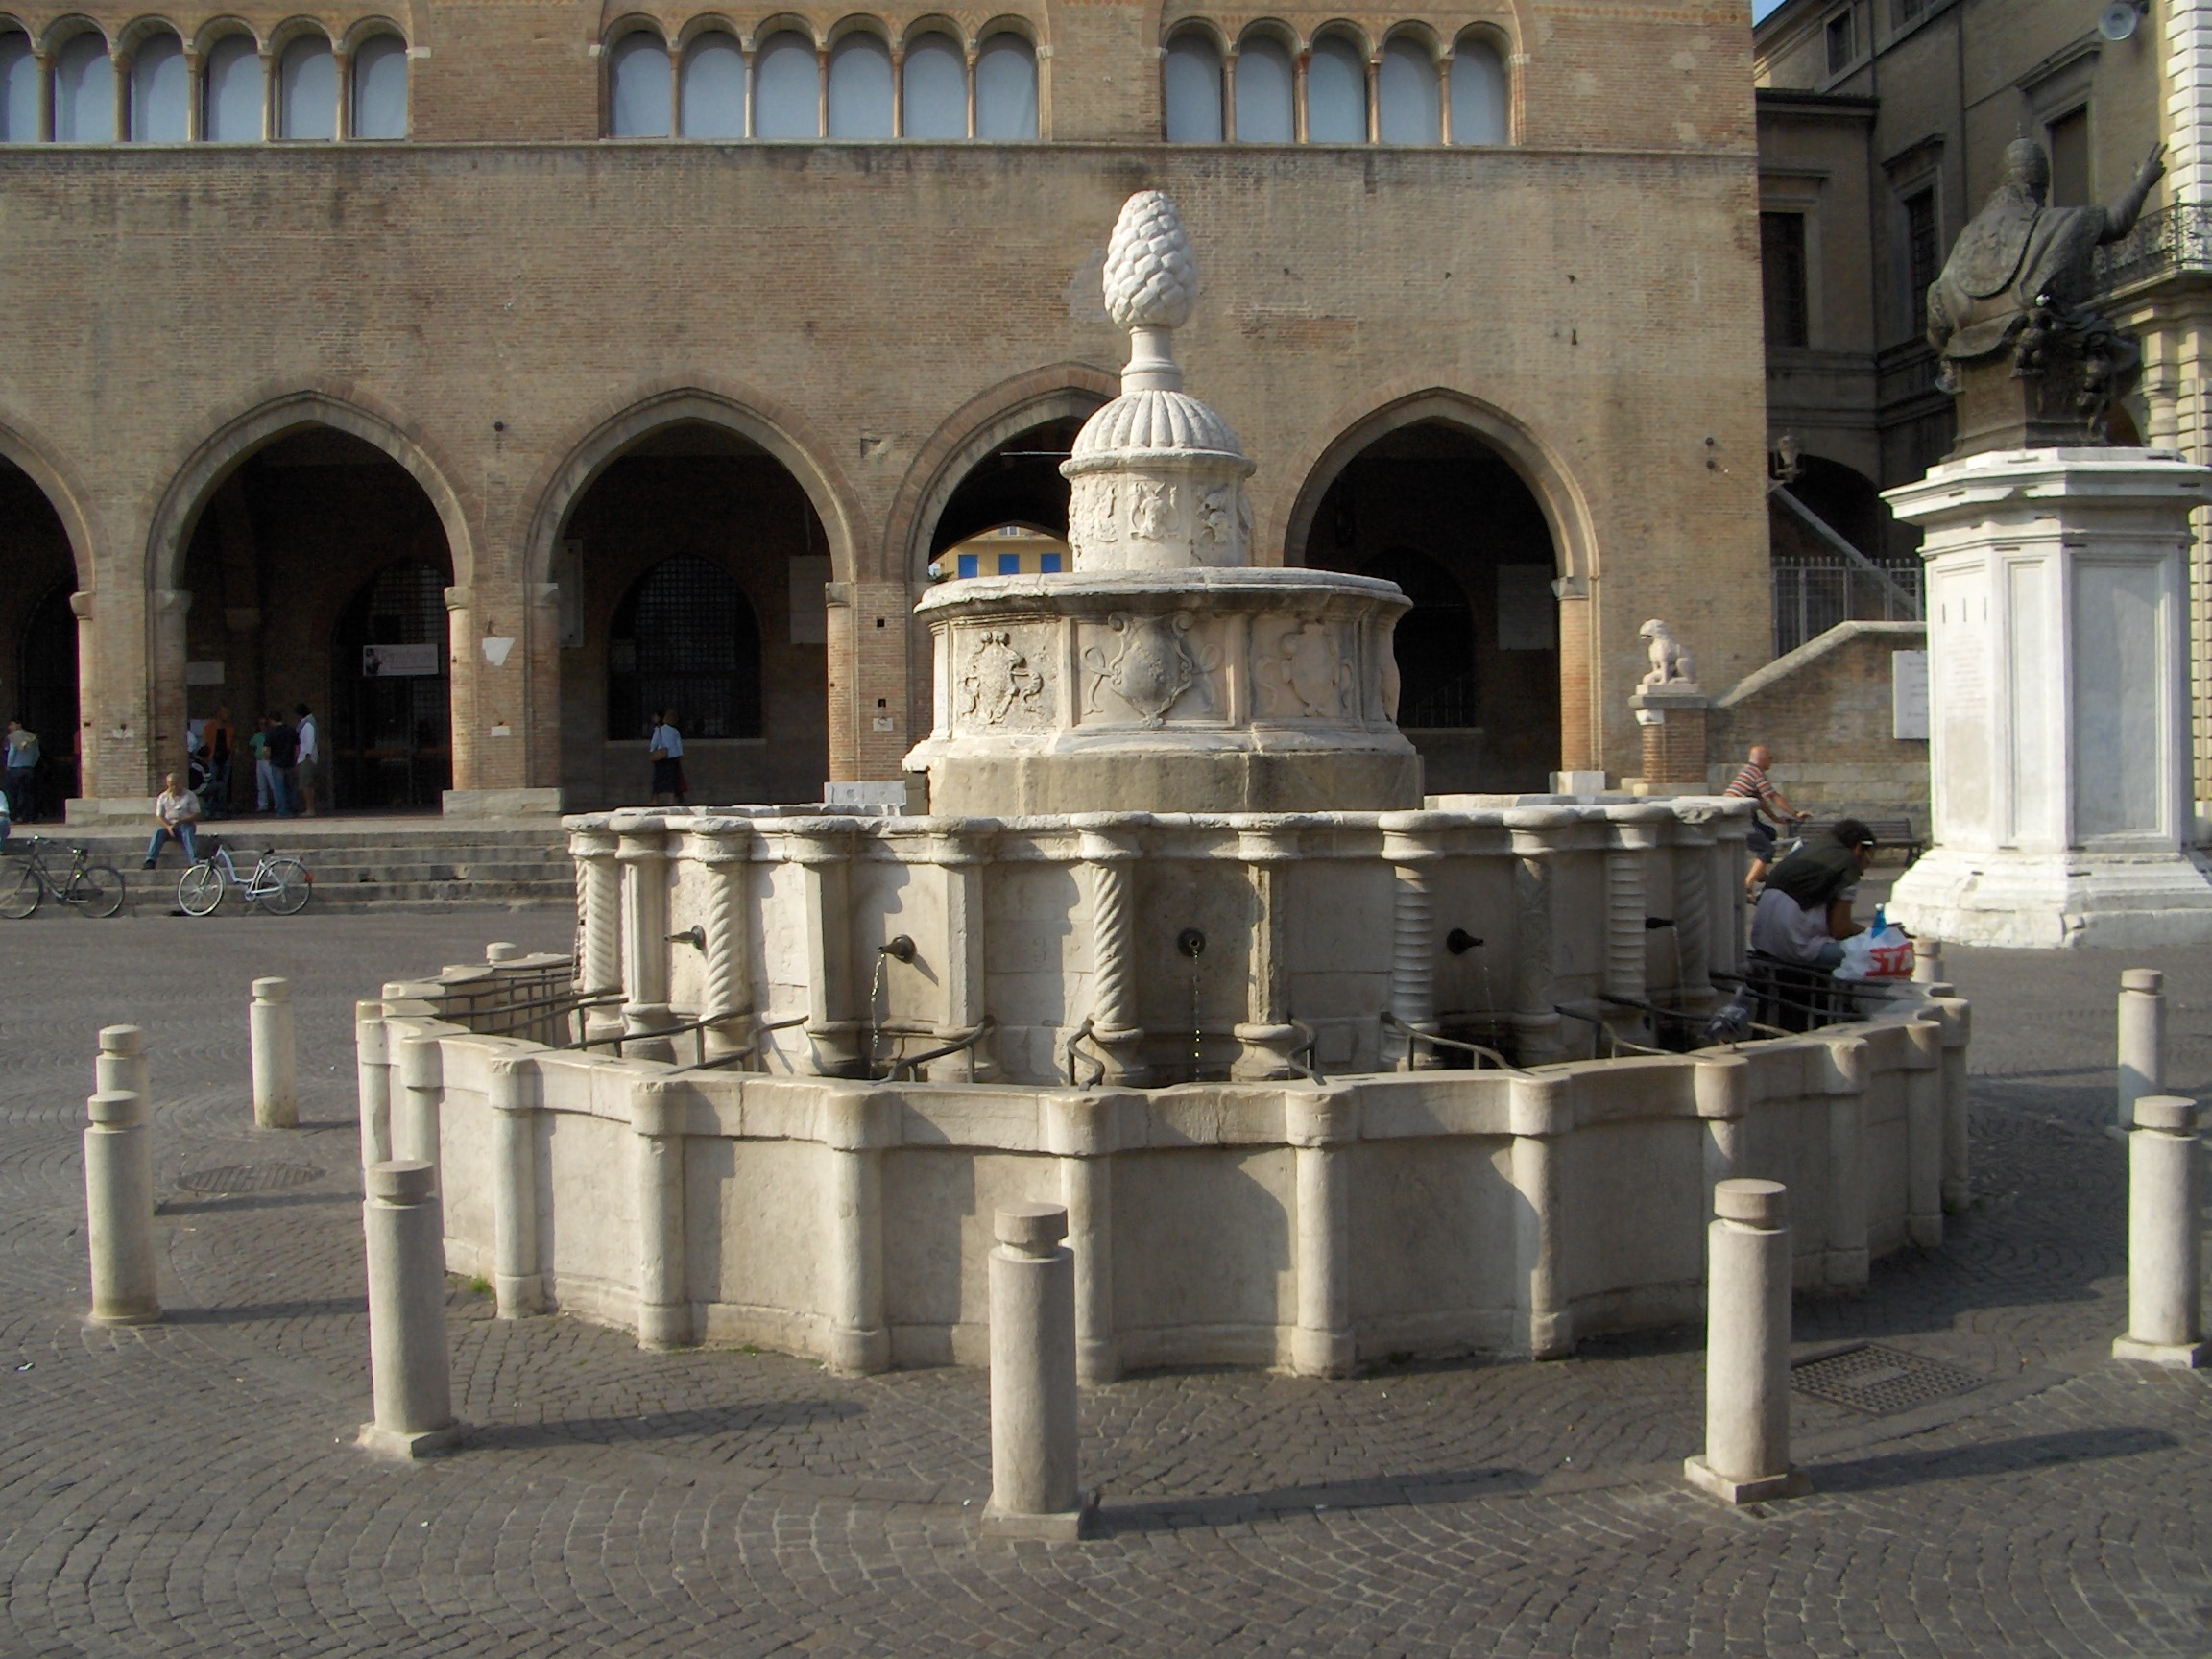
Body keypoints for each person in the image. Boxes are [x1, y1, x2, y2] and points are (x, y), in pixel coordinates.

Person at [1748, 819, 1877, 971]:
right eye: (1869, 859)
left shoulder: (1806, 851)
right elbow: (1841, 929)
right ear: (1858, 848)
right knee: (1875, 955)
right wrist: (1874, 934)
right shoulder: (1848, 865)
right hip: (1796, 947)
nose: (1866, 866)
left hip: (1762, 941)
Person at [1724, 744, 1810, 895]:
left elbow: (1761, 802)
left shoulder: (1748, 771)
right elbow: (1773, 796)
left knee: (1769, 833)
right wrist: (1795, 814)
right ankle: (1747, 887)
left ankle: (1760, 873)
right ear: (1762, 759)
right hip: (1738, 816)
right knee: (1766, 849)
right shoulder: (1756, 772)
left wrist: (1776, 819)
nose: (1771, 761)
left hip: (1745, 813)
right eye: (1770, 758)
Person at [143, 772, 203, 868]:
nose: (174, 788)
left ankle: (194, 860)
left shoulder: (189, 795)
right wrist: (168, 826)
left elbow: (196, 814)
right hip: (169, 825)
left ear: (180, 783)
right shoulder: (163, 797)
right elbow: (159, 816)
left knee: (188, 832)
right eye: (171, 785)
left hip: (184, 824)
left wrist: (182, 821)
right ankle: (150, 860)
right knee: (158, 832)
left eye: (176, 785)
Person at [647, 709, 685, 806]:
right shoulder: (675, 731)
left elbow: (654, 743)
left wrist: (653, 752)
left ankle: (655, 799)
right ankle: (671, 800)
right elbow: (679, 746)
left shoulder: (659, 729)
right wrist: (679, 756)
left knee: (658, 778)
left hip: (661, 758)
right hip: (673, 758)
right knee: (672, 779)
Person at [264, 710, 299, 817]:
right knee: (291, 788)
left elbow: (265, 749)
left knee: (279, 788)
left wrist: (267, 758)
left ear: (271, 720)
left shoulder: (271, 732)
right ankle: (292, 810)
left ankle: (282, 811)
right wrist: (296, 759)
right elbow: (297, 746)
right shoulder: (291, 730)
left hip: (276, 763)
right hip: (290, 762)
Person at [204, 707, 235, 819]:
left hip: (225, 759)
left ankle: (221, 810)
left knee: (224, 786)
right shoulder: (210, 727)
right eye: (224, 713)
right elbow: (206, 741)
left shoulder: (230, 728)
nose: (227, 715)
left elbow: (232, 743)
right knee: (212, 784)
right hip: (213, 758)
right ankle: (209, 810)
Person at [5, 717, 38, 822]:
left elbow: (12, 753)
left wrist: (8, 765)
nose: (10, 727)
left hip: (16, 769)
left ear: (18, 724)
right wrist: (31, 764)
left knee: (14, 794)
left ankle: (15, 816)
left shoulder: (14, 737)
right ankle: (30, 817)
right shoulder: (32, 737)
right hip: (29, 768)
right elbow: (36, 754)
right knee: (29, 793)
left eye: (12, 724)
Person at [293, 703, 320, 817]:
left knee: (307, 785)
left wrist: (307, 755)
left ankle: (310, 809)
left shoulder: (308, 725)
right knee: (306, 785)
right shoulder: (308, 723)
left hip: (306, 757)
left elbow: (309, 740)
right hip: (305, 756)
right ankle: (309, 808)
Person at [251, 716, 276, 814]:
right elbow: (251, 745)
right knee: (261, 784)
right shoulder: (257, 736)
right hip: (259, 761)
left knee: (273, 784)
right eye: (261, 724)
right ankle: (262, 805)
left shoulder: (271, 735)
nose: (263, 726)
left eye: (265, 724)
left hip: (269, 761)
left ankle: (278, 804)